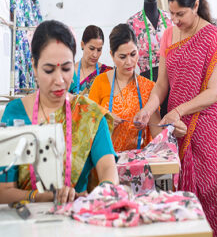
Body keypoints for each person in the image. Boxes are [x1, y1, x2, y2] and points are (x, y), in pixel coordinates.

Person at [134, 0, 217, 237]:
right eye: (171, 14)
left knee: (207, 194)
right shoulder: (169, 35)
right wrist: (149, 108)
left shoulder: (214, 39)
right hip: (178, 131)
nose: (175, 20)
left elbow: (214, 92)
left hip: (206, 131)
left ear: (195, 5)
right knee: (183, 199)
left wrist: (179, 110)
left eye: (180, 14)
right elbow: (161, 85)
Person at [0, 20, 118, 205]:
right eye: (48, 70)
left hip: (76, 222)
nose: (59, 80)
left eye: (66, 68)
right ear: (34, 66)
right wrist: (40, 197)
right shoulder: (15, 113)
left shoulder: (89, 115)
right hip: (24, 225)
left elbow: (109, 171)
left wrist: (101, 193)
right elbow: (3, 192)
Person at [89, 24, 173, 152]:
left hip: (139, 164)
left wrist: (173, 129)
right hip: (107, 162)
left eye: (133, 54)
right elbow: (88, 127)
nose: (129, 62)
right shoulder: (100, 82)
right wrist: (103, 123)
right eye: (122, 57)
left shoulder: (149, 87)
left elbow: (157, 135)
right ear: (112, 55)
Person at [69, 25, 110, 95]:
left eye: (99, 50)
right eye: (91, 48)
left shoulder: (106, 72)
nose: (95, 55)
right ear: (82, 45)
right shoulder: (69, 72)